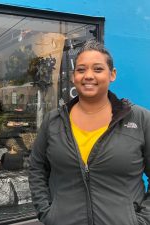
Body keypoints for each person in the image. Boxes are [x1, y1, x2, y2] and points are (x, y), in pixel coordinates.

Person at [28, 40, 150, 225]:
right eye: (81, 69)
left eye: (98, 69)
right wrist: (48, 213)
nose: (89, 76)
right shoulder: (54, 121)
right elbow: (37, 168)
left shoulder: (140, 119)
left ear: (112, 74)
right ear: (73, 76)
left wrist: (142, 219)